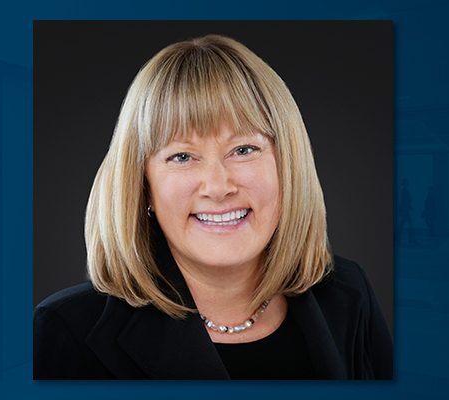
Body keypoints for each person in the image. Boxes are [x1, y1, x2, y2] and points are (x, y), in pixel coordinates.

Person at [34, 34, 393, 379]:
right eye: (182, 156)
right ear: (142, 186)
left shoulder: (349, 294)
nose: (218, 187)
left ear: (289, 166)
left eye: (244, 149)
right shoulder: (67, 332)